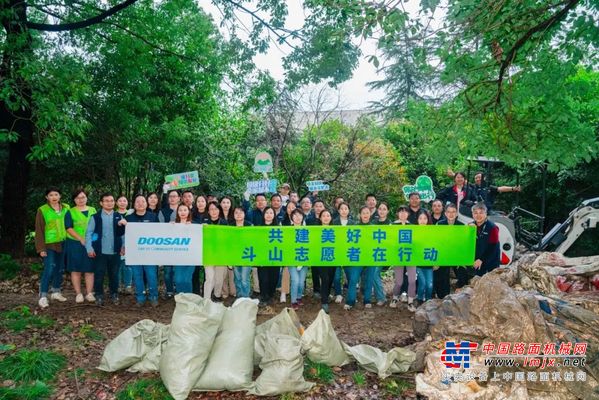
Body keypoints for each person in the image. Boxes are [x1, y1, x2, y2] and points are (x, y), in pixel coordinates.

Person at [85, 193, 126, 306]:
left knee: (114, 274)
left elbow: (123, 235)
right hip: (100, 251)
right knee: (99, 274)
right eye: (106, 201)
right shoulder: (95, 217)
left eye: (112, 200)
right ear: (101, 203)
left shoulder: (119, 216)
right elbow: (89, 233)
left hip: (115, 251)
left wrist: (123, 246)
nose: (109, 203)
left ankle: (114, 294)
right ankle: (99, 295)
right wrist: (89, 248)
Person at [35, 187, 70, 309]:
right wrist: (41, 248)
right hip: (49, 244)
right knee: (49, 268)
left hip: (63, 242)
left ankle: (56, 292)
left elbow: (70, 225)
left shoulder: (66, 208)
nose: (54, 197)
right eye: (51, 195)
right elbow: (39, 230)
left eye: (56, 194)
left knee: (60, 268)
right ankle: (43, 296)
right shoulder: (42, 210)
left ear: (60, 196)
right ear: (47, 197)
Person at [125, 195, 159, 307]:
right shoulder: (129, 218)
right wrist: (121, 224)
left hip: (150, 253)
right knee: (137, 276)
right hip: (135, 253)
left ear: (146, 203)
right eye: (137, 201)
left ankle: (153, 297)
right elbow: (122, 233)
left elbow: (160, 232)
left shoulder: (153, 216)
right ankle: (140, 298)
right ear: (134, 204)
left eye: (143, 201)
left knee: (151, 275)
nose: (140, 203)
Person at [64, 189, 96, 304]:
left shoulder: (93, 210)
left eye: (83, 197)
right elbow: (68, 227)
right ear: (74, 200)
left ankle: (89, 293)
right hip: (75, 243)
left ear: (87, 198)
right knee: (75, 269)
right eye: (78, 198)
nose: (81, 200)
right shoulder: (70, 212)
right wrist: (80, 238)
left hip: (90, 243)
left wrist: (93, 241)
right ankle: (78, 294)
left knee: (90, 269)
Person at [390, 205, 416, 311]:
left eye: (405, 212)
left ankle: (410, 301)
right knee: (399, 281)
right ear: (397, 213)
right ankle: (395, 298)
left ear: (408, 214)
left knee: (412, 280)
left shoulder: (413, 226)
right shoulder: (392, 225)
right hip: (398, 256)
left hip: (411, 256)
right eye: (400, 212)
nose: (403, 214)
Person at [435, 203, 464, 298]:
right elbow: (435, 241)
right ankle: (443, 297)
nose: (451, 214)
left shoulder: (462, 226)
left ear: (456, 214)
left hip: (457, 255)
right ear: (445, 213)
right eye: (448, 212)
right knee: (441, 276)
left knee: (462, 273)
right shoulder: (440, 224)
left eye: (453, 212)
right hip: (443, 255)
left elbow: (465, 243)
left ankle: (461, 296)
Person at [258, 207, 281, 313]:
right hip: (262, 258)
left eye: (271, 213)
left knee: (273, 278)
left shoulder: (278, 227)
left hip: (275, 257)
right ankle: (263, 296)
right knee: (263, 278)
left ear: (274, 215)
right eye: (267, 212)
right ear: (263, 215)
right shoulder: (258, 227)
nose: (269, 214)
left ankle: (271, 295)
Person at [204, 201, 228, 301]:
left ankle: (217, 295)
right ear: (208, 212)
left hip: (221, 254)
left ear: (219, 210)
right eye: (211, 209)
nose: (214, 211)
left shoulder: (224, 223)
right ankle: (206, 298)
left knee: (219, 278)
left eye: (216, 209)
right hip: (208, 254)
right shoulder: (204, 223)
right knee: (210, 278)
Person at [313, 209, 337, 313]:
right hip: (320, 259)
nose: (326, 217)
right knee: (325, 278)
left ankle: (326, 295)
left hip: (332, 258)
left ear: (331, 218)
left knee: (330, 278)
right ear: (320, 218)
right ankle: (324, 302)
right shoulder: (315, 230)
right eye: (324, 216)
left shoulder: (336, 230)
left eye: (328, 215)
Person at [158, 189, 180, 298]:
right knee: (167, 271)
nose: (172, 198)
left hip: (181, 245)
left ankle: (178, 290)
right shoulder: (162, 211)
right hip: (167, 245)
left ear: (179, 198)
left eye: (175, 196)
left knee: (178, 270)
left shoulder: (184, 210)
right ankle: (169, 291)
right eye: (170, 196)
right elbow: (160, 228)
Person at [332, 201, 354, 304]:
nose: (344, 211)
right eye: (342, 209)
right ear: (338, 210)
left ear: (349, 210)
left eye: (346, 208)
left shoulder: (353, 223)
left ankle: (351, 294)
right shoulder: (334, 222)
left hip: (349, 252)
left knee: (350, 275)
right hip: (336, 252)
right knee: (336, 276)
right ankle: (338, 294)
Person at [355, 206, 376, 309]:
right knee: (354, 279)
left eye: (367, 212)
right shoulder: (355, 227)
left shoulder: (374, 227)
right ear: (360, 214)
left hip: (370, 256)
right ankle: (351, 300)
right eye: (363, 212)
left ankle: (367, 300)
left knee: (369, 278)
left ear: (370, 214)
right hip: (358, 255)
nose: (365, 214)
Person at [171, 204, 195, 294]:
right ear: (177, 213)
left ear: (189, 212)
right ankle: (180, 299)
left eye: (185, 210)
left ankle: (189, 301)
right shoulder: (173, 225)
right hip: (178, 258)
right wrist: (169, 228)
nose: (183, 212)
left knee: (187, 280)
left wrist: (193, 228)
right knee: (178, 280)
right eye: (180, 210)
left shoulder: (194, 225)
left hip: (191, 258)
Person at [472, 202, 501, 276]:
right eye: (475, 213)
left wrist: (481, 259)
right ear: (472, 215)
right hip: (478, 261)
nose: (478, 215)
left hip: (491, 261)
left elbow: (493, 247)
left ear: (486, 214)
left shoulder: (493, 228)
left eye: (481, 213)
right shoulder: (471, 227)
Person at [288, 209, 308, 310]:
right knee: (295, 280)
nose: (297, 217)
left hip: (304, 259)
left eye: (300, 215)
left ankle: (299, 297)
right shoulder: (287, 230)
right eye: (295, 215)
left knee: (301, 281)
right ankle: (293, 301)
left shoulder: (307, 230)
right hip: (291, 260)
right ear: (292, 218)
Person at [371, 202, 391, 306]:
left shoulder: (390, 224)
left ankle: (381, 297)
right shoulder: (373, 223)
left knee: (374, 273)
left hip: (385, 254)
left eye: (384, 209)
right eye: (380, 209)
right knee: (374, 274)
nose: (382, 211)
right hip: (374, 253)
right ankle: (379, 294)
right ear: (377, 210)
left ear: (388, 211)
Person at [231, 206, 253, 298]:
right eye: (236, 212)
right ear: (233, 215)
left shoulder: (250, 225)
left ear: (244, 214)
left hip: (247, 255)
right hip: (235, 256)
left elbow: (253, 241)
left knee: (244, 278)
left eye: (241, 212)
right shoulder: (230, 227)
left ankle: (246, 298)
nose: (239, 214)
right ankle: (239, 297)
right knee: (237, 278)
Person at [415, 210, 434, 307]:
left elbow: (437, 247)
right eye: (420, 218)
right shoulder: (414, 232)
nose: (422, 221)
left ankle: (428, 300)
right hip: (418, 264)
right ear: (417, 220)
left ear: (428, 220)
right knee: (422, 284)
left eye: (425, 218)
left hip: (429, 263)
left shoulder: (432, 232)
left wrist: (436, 262)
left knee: (430, 285)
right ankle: (419, 299)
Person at [191, 195, 208, 295]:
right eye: (198, 201)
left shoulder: (210, 213)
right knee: (195, 272)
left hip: (207, 247)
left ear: (206, 202)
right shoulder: (191, 214)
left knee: (208, 273)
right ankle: (196, 293)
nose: (200, 203)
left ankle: (206, 293)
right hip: (195, 247)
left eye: (202, 201)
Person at [116, 195, 133, 295]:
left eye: (124, 200)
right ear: (116, 203)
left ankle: (128, 286)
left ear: (127, 202)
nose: (122, 202)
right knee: (117, 266)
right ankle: (117, 285)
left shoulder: (131, 214)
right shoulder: (113, 214)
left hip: (129, 244)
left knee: (128, 266)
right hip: (117, 244)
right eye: (120, 200)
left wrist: (126, 245)